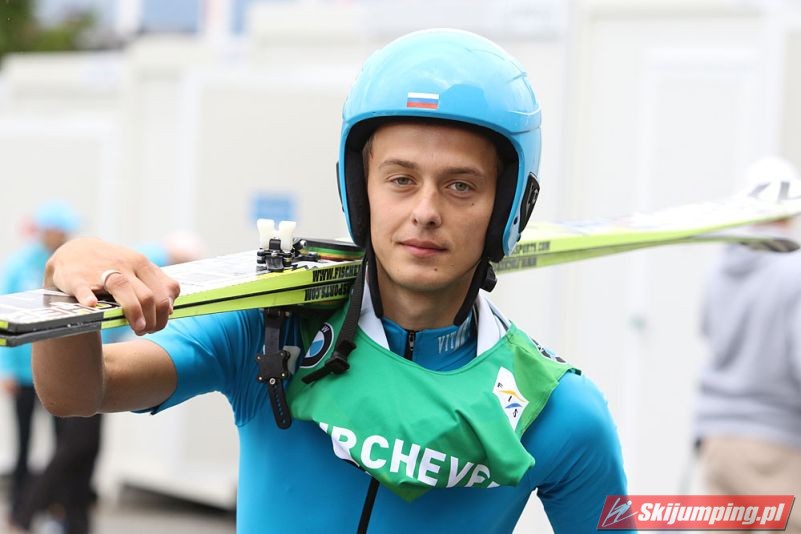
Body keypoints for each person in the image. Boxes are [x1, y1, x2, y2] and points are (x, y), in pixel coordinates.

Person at [31, 29, 628, 532]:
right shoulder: (271, 331)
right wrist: (64, 282)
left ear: (508, 207)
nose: (425, 211)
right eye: (401, 179)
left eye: (460, 185)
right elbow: (79, 392)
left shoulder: (561, 411)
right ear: (359, 191)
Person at [694, 156, 801, 533]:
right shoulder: (794, 270)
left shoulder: (721, 267)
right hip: (774, 443)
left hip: (718, 440)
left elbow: (708, 331)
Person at [0, 200, 79, 524]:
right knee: (24, 441)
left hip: (58, 370)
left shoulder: (71, 265)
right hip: (22, 371)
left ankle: (55, 505)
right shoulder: (19, 265)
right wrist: (5, 368)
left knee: (63, 444)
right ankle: (20, 505)